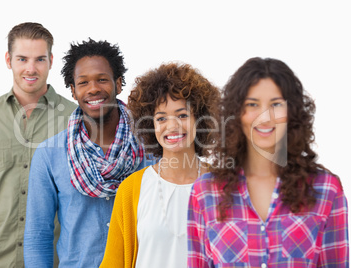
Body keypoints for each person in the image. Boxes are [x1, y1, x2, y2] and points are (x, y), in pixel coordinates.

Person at [187, 57, 349, 267]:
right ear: (236, 113)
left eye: (276, 104)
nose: (265, 117)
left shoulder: (326, 189)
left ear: (292, 113)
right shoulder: (205, 192)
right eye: (252, 104)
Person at [23, 38, 150, 267]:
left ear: (119, 84)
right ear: (73, 91)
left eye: (102, 80)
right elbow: (38, 235)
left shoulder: (150, 147)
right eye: (83, 82)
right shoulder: (49, 155)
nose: (93, 89)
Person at [0, 22, 77, 268]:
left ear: (51, 61)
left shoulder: (74, 119)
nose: (31, 69)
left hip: (55, 261)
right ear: (8, 59)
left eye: (40, 59)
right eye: (22, 59)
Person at [100, 62, 221, 268]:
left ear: (199, 120)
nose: (172, 126)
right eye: (161, 118)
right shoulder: (131, 190)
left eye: (182, 115)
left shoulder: (224, 187)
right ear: (151, 125)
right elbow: (114, 263)